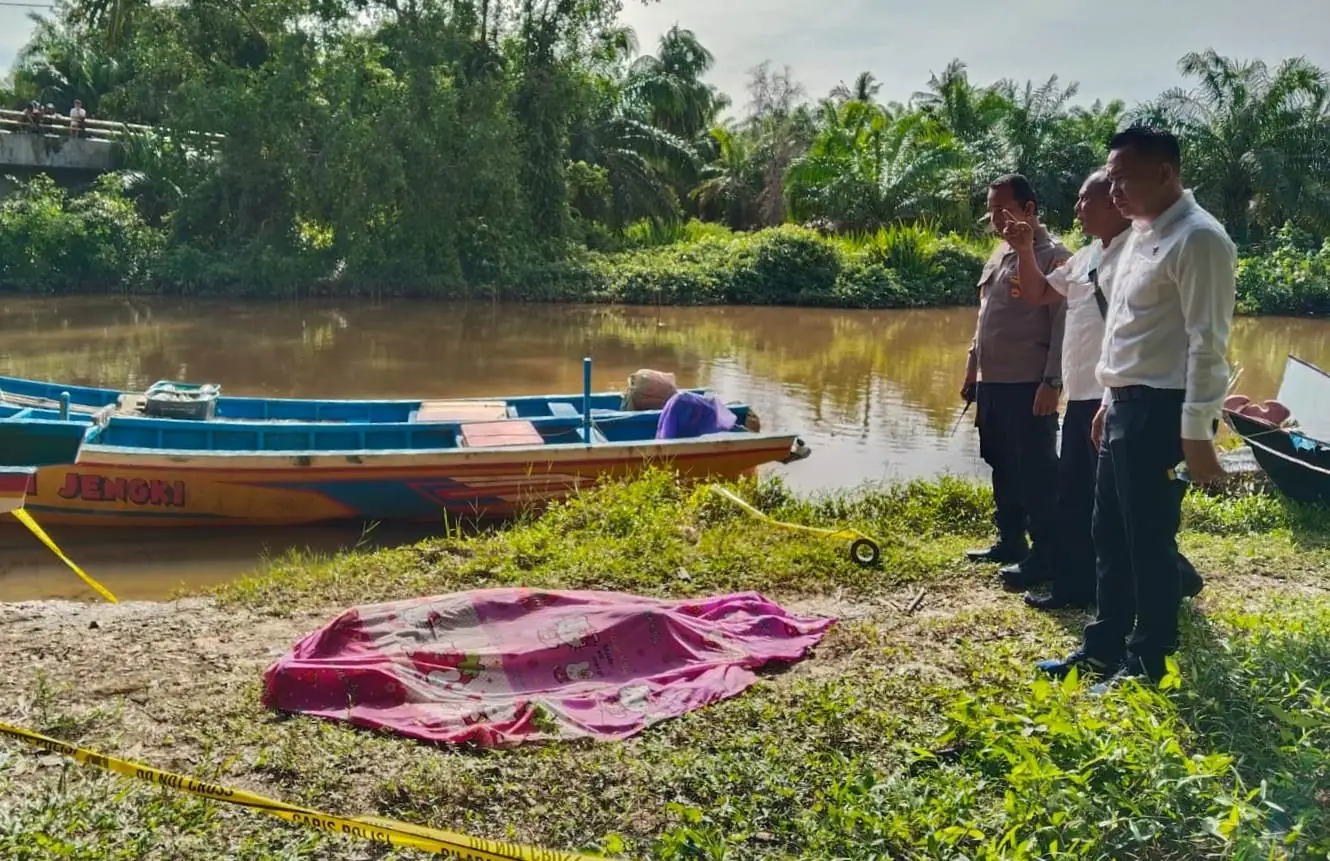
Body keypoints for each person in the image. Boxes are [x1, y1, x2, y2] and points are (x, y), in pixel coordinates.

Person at [1036, 126, 1236, 689]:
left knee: (1147, 539)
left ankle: (1148, 660)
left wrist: (1196, 433)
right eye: (1111, 177)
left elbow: (1208, 342)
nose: (1114, 189)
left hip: (1162, 410)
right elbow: (1129, 334)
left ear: (1165, 173)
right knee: (1108, 531)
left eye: (1123, 177)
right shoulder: (1143, 237)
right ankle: (1103, 645)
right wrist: (1107, 398)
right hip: (1122, 403)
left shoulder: (1199, 239)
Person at [1003, 170, 1206, 611]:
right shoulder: (1085, 257)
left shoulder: (1141, 253)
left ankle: (1172, 580)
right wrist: (1023, 250)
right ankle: (1076, 588)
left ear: (1115, 203)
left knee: (1124, 507)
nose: (1078, 207)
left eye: (1085, 199)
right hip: (1081, 397)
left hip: (1119, 396)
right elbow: (1038, 293)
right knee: (1075, 498)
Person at [962, 174, 1070, 591]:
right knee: (1000, 460)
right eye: (991, 211)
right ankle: (1011, 540)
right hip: (993, 380)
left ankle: (1046, 555)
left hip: (1029, 383)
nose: (995, 219)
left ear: (1029, 209)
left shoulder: (1055, 258)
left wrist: (1052, 381)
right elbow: (983, 317)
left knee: (1037, 471)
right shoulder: (1000, 254)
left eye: (1003, 210)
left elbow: (1062, 325)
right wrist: (973, 366)